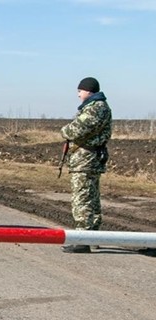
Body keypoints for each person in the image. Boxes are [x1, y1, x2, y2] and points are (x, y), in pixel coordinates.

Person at [60, 77, 112, 253]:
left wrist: (64, 130)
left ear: (88, 90)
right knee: (90, 197)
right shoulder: (95, 107)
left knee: (83, 197)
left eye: (80, 91)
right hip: (87, 159)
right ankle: (92, 237)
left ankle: (83, 238)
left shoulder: (96, 108)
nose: (78, 94)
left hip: (86, 159)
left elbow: (75, 130)